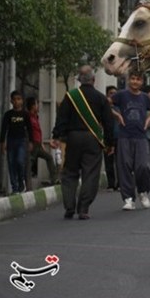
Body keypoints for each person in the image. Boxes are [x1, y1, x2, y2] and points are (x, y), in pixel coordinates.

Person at [50, 65, 114, 219]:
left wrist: (56, 136)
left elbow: (62, 118)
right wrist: (110, 143)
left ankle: (69, 207)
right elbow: (108, 122)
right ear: (94, 79)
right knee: (91, 173)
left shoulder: (71, 96)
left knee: (70, 172)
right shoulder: (101, 98)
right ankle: (83, 208)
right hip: (92, 139)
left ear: (79, 80)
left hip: (73, 138)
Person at [111, 70, 150, 211]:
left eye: (138, 79)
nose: (135, 82)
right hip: (124, 135)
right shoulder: (121, 95)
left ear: (142, 82)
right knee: (124, 166)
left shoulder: (144, 97)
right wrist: (117, 116)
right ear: (128, 80)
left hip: (141, 136)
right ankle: (128, 198)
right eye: (132, 79)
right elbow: (108, 104)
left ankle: (143, 192)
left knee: (143, 166)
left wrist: (148, 121)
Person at [0, 90, 32, 195]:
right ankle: (15, 188)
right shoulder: (8, 115)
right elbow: (4, 129)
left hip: (21, 141)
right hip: (11, 141)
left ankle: (21, 181)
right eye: (14, 99)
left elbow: (30, 128)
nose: (16, 101)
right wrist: (2, 142)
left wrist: (31, 142)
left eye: (19, 99)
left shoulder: (25, 114)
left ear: (22, 101)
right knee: (11, 164)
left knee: (20, 161)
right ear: (11, 101)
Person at [26, 96, 58, 188]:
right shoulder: (28, 117)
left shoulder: (36, 117)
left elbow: (38, 131)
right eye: (36, 104)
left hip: (38, 144)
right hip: (33, 144)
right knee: (29, 164)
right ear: (32, 106)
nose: (38, 106)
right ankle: (26, 185)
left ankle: (54, 179)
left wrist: (41, 143)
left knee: (49, 157)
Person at [104, 85, 119, 191]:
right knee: (108, 162)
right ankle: (111, 184)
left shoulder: (120, 107)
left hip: (120, 137)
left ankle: (120, 184)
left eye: (115, 93)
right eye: (111, 93)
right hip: (107, 137)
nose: (113, 95)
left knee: (120, 162)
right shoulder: (104, 107)